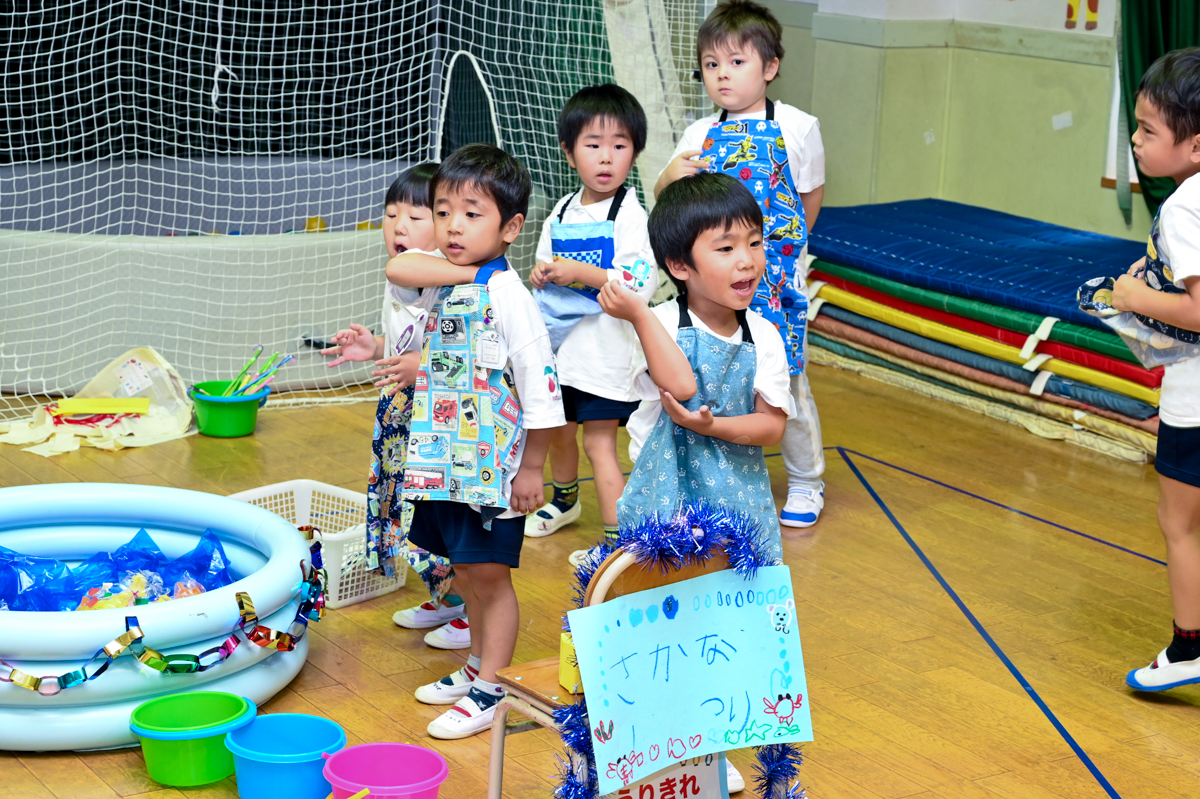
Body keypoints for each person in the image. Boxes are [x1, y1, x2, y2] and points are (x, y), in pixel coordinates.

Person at [603, 172, 793, 793]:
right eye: (726, 247)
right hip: (669, 504)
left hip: (740, 504)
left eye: (755, 243)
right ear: (680, 266)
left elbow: (770, 426)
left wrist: (713, 427)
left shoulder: (764, 334)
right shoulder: (657, 319)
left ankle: (716, 741)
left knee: (731, 627)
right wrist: (638, 312)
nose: (748, 261)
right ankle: (662, 740)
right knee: (665, 624)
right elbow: (682, 386)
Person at [385, 144, 565, 737]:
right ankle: (476, 666)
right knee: (464, 573)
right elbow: (399, 269)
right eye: (443, 212)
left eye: (471, 213)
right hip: (445, 460)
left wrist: (532, 469)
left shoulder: (512, 297)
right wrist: (470, 272)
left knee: (489, 577)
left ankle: (494, 688)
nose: (453, 226)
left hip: (493, 470)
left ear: (511, 227)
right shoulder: (450, 276)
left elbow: (542, 392)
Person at [656, 0, 826, 529]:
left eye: (736, 62)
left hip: (773, 282)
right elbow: (668, 198)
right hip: (712, 288)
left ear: (770, 67)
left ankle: (807, 480)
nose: (722, 74)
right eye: (711, 64)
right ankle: (715, 481)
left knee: (788, 381)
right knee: (714, 377)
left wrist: (781, 262)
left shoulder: (798, 127)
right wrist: (669, 176)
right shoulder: (698, 133)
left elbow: (809, 198)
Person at [321, 165, 470, 650]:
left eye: (415, 216)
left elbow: (465, 355)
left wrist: (420, 366)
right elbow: (408, 344)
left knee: (444, 513)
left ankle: (474, 609)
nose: (398, 226)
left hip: (441, 422)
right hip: (402, 413)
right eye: (390, 215)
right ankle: (449, 597)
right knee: (410, 512)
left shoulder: (455, 283)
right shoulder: (409, 281)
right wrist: (376, 347)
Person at [526, 84, 658, 562]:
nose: (606, 157)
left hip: (605, 357)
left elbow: (640, 284)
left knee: (599, 444)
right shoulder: (560, 210)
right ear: (569, 152)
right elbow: (544, 266)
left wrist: (583, 273)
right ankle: (565, 501)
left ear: (634, 153)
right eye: (593, 144)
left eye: (619, 145)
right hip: (560, 352)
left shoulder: (632, 215)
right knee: (559, 432)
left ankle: (617, 544)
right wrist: (541, 272)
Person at [1117, 49, 1200, 692]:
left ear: (1194, 145)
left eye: (1148, 130)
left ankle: (1189, 648)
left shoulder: (1183, 208)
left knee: (1179, 524)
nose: (1136, 141)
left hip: (1196, 400)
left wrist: (1135, 297)